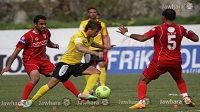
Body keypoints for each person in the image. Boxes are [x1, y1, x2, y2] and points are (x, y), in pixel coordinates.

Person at [117, 9, 199, 109]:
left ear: (163, 17)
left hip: (161, 61)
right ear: (174, 17)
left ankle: (141, 102)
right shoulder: (181, 29)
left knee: (143, 80)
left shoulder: (158, 29)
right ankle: (185, 97)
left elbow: (142, 38)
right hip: (176, 61)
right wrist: (189, 31)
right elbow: (196, 38)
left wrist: (126, 33)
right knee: (178, 79)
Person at [0, 15, 87, 107]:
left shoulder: (46, 32)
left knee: (61, 75)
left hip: (43, 60)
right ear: (35, 24)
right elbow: (16, 51)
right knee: (36, 77)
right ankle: (22, 101)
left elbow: (47, 42)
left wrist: (53, 45)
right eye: (41, 24)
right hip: (30, 60)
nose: (44, 26)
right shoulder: (27, 36)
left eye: (45, 24)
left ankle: (79, 95)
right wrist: (8, 66)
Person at [23, 20, 110, 108]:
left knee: (96, 72)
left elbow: (93, 43)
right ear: (90, 29)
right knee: (51, 85)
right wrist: (95, 53)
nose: (97, 34)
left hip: (76, 64)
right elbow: (79, 47)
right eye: (96, 32)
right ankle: (31, 101)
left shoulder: (90, 38)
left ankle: (84, 94)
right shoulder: (78, 36)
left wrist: (104, 47)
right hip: (65, 64)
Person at [79, 7, 111, 95]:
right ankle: (89, 86)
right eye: (91, 12)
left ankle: (102, 85)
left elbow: (105, 35)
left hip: (99, 47)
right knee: (89, 67)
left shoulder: (102, 24)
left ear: (97, 13)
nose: (92, 14)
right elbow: (81, 34)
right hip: (88, 48)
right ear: (88, 14)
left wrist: (106, 45)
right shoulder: (83, 23)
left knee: (102, 64)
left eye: (94, 12)